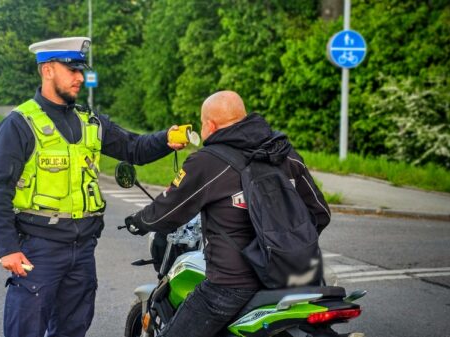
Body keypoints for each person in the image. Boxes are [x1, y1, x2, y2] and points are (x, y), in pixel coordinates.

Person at [0, 37, 185, 337]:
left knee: (73, 329)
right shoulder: (20, 124)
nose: (80, 77)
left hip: (83, 250)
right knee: (26, 330)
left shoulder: (89, 121)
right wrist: (8, 248)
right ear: (48, 70)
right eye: (72, 69)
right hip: (38, 250)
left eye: (81, 70)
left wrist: (166, 139)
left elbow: (134, 147)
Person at [125, 90, 331, 337]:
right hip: (300, 276)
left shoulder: (207, 161)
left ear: (210, 125)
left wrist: (138, 222)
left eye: (202, 124)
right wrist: (286, 249)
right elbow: (320, 212)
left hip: (231, 284)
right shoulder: (283, 152)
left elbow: (166, 212)